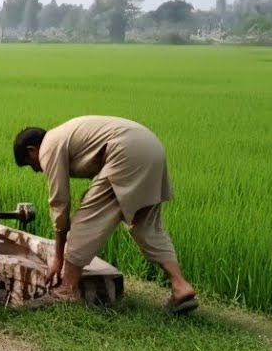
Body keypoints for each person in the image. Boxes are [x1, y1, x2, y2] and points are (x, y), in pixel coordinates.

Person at [13, 116, 197, 314]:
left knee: (84, 221)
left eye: (31, 164)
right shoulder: (65, 134)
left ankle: (67, 289)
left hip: (126, 153)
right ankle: (180, 286)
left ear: (32, 150)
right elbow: (100, 159)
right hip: (151, 148)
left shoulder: (49, 146)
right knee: (146, 227)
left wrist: (58, 257)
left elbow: (59, 202)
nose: (37, 169)